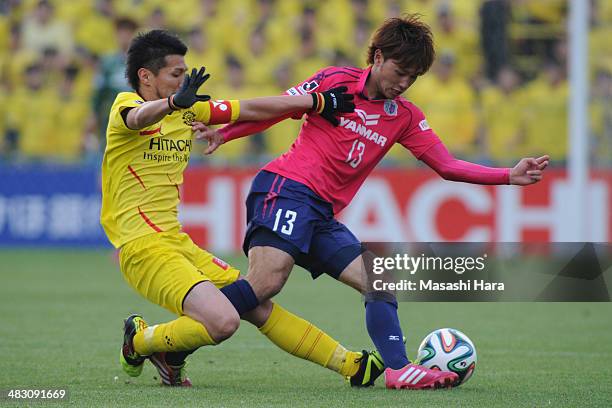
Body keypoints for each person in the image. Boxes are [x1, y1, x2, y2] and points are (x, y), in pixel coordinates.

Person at [194, 15, 549, 390]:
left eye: (413, 77)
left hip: (321, 213)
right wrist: (227, 133)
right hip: (287, 188)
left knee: (378, 277)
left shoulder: (405, 117)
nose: (404, 83)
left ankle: (398, 369)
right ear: (378, 57)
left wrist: (507, 176)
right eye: (401, 71)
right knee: (266, 282)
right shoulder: (335, 82)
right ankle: (170, 336)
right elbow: (282, 107)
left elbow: (447, 165)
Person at [101, 29, 385, 387]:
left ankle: (350, 365)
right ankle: (140, 341)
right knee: (223, 322)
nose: (183, 81)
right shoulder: (124, 106)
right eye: (175, 74)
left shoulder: (188, 111)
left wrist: (313, 102)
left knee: (257, 303)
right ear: (146, 76)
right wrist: (173, 104)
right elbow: (137, 119)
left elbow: (251, 107)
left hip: (177, 243)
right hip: (142, 247)